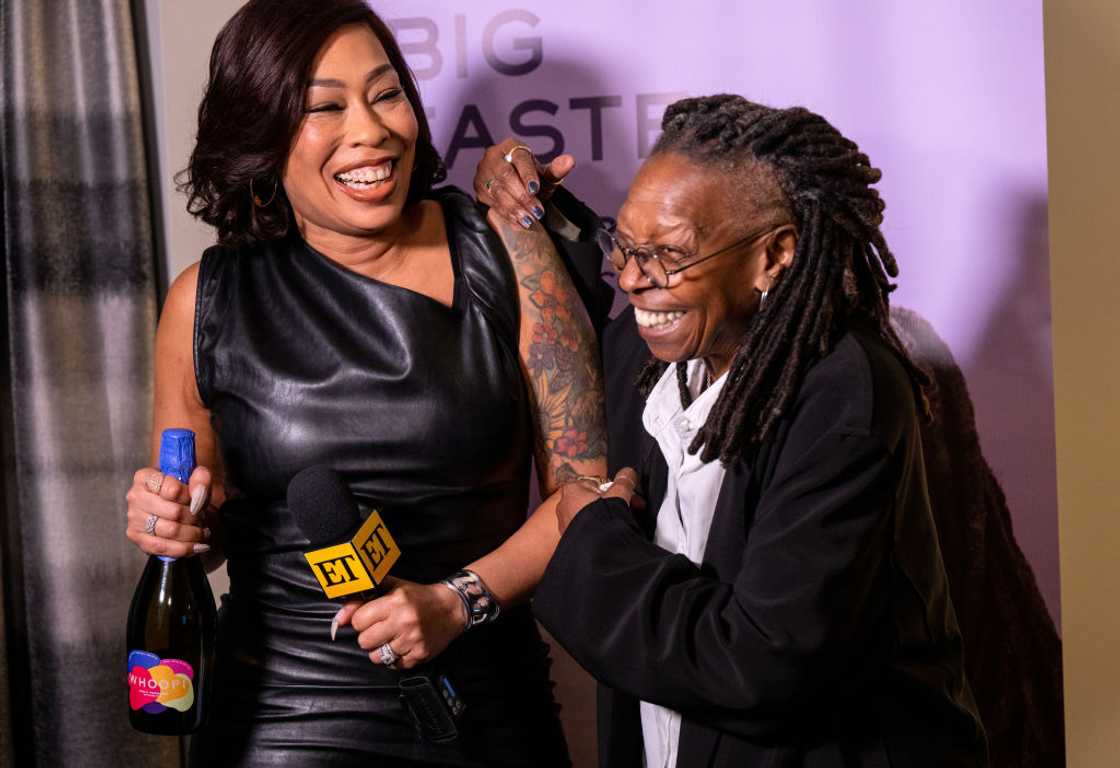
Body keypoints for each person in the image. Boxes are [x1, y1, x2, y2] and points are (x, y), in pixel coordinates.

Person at [122, 1, 606, 766]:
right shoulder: (203, 300)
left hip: (487, 713)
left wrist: (456, 602)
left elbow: (588, 495)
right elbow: (203, 530)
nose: (371, 131)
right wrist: (171, 524)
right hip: (282, 723)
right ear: (263, 133)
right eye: (325, 108)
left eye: (386, 95)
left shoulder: (508, 250)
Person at [479, 95, 989, 766]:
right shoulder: (643, 358)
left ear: (774, 255)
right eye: (626, 246)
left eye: (667, 255)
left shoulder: (843, 394)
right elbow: (586, 306)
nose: (634, 279)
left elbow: (761, 660)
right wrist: (519, 199)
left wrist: (592, 538)